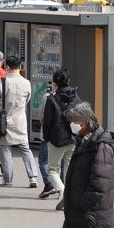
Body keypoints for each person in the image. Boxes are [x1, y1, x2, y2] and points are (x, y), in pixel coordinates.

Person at [0, 56, 40, 187]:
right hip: (20, 120)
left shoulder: (2, 82)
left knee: (5, 150)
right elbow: (27, 99)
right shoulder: (27, 83)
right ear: (19, 67)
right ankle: (33, 177)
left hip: (4, 121)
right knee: (25, 149)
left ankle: (8, 179)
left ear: (7, 67)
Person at [39, 70, 82, 204]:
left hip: (56, 138)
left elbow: (47, 120)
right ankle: (70, 195)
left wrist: (46, 137)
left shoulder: (52, 98)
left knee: (53, 169)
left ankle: (61, 191)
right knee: (70, 168)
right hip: (74, 137)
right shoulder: (76, 97)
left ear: (55, 83)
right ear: (68, 81)